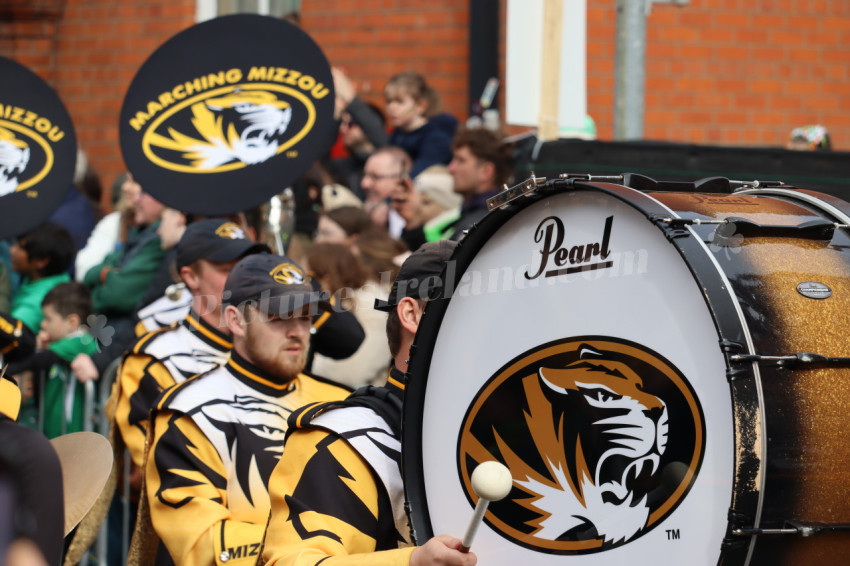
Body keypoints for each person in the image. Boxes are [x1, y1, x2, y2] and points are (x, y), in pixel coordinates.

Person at [261, 241, 476, 566]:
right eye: (472, 308)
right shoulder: (345, 439)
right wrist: (410, 562)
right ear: (412, 314)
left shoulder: (528, 419)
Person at [130, 253, 352, 566]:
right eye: (279, 317)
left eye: (305, 317)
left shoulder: (340, 403)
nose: (297, 331)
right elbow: (203, 546)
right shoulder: (189, 413)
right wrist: (306, 555)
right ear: (235, 321)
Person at [8, 282, 98, 438]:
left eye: (48, 319)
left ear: (72, 322)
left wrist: (8, 369)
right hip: (54, 430)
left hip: (74, 433)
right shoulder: (61, 345)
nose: (43, 324)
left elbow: (38, 360)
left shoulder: (81, 341)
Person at [82, 181, 166, 329]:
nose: (136, 199)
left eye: (144, 192)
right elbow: (88, 272)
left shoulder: (159, 240)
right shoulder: (139, 232)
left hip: (123, 333)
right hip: (106, 330)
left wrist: (100, 283)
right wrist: (108, 274)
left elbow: (118, 295)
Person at [307, 243, 391, 388]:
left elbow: (350, 373)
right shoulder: (343, 300)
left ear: (325, 280)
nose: (305, 284)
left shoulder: (372, 306)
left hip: (352, 396)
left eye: (310, 278)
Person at [384, 71, 457, 177]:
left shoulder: (436, 138)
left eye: (400, 102)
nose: (391, 107)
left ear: (420, 106)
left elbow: (417, 176)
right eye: (389, 101)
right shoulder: (398, 134)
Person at [446, 127, 513, 240]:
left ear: (486, 171)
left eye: (461, 160)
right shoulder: (492, 215)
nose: (450, 168)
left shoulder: (481, 225)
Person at [7, 222, 76, 333]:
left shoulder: (30, 311)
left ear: (41, 261)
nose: (12, 250)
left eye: (20, 247)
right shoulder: (57, 276)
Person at [361, 146, 412, 238]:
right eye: (365, 175)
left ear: (401, 179)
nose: (364, 183)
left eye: (375, 177)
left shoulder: (414, 223)